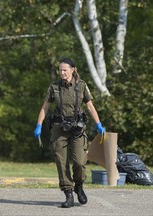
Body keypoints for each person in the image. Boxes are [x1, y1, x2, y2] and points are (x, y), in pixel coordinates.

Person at [34, 58, 105, 208]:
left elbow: (90, 107)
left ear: (73, 69)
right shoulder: (54, 87)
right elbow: (45, 107)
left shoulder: (82, 86)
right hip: (59, 129)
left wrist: (98, 124)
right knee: (61, 162)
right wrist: (39, 125)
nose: (62, 73)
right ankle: (68, 194)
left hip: (77, 128)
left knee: (79, 162)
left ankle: (78, 185)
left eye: (65, 70)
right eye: (60, 70)